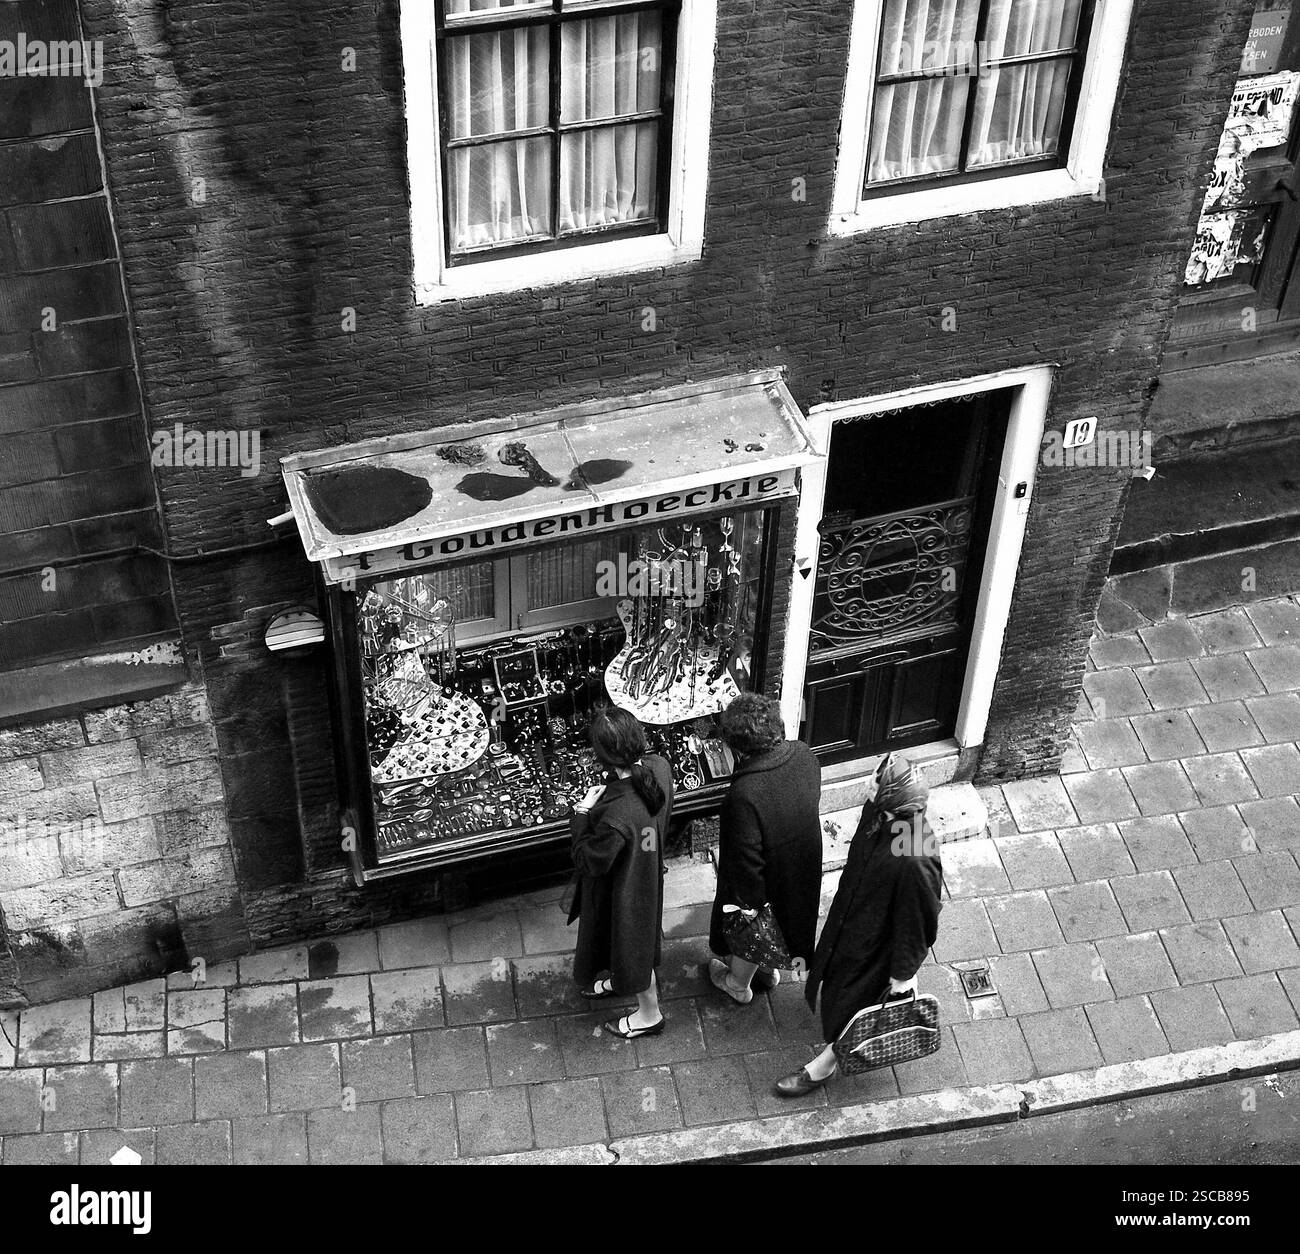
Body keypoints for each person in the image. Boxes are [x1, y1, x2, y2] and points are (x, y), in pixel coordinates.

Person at [775, 751, 943, 1096]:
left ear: (891, 796)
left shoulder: (915, 856)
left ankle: (823, 1066)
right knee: (838, 986)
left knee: (857, 1001)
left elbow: (919, 919)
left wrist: (902, 974)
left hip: (874, 946)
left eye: (876, 779)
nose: (869, 782)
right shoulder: (881, 814)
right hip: (850, 924)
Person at [707, 692, 823, 1004]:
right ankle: (767, 970)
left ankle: (737, 984)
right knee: (788, 922)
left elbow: (745, 863)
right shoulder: (805, 755)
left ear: (738, 747)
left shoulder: (744, 795)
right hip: (802, 865)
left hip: (767, 878)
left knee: (753, 928)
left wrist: (747, 907)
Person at [567, 706, 675, 1039]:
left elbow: (589, 860)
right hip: (646, 872)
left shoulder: (617, 815)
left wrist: (583, 813)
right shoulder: (659, 768)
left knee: (634, 946)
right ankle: (620, 979)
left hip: (626, 889)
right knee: (633, 943)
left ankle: (650, 1014)